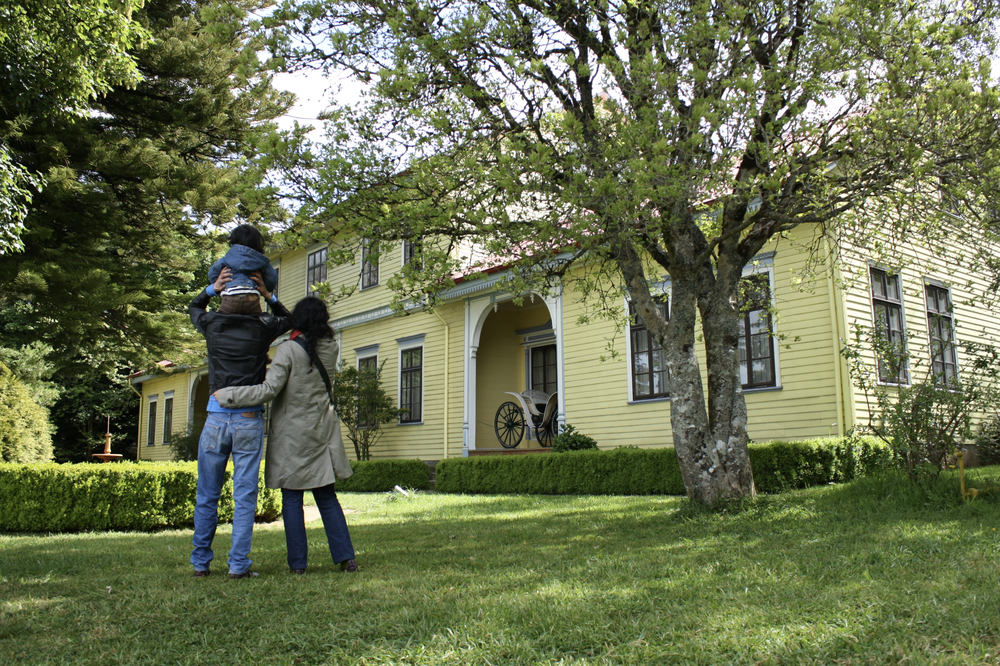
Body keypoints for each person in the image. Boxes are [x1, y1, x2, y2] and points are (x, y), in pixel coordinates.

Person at [214, 296, 358, 574]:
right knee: (326, 496)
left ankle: (298, 565)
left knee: (292, 498)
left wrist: (228, 395)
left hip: (293, 433)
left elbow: (269, 390)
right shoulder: (331, 347)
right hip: (322, 429)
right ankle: (346, 558)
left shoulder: (289, 349)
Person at [189, 266, 292, 579]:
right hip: (248, 418)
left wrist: (212, 288)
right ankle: (237, 565)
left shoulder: (212, 324)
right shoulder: (263, 326)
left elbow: (193, 307)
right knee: (244, 495)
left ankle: (200, 563)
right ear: (254, 301)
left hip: (215, 417)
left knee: (207, 493)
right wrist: (269, 295)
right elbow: (290, 320)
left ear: (225, 299)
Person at [208, 224, 279, 315]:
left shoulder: (225, 260)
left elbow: (212, 274)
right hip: (251, 298)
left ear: (233, 241)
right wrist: (265, 289)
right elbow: (272, 279)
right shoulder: (261, 262)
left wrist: (221, 287)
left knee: (222, 322)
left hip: (230, 298)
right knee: (256, 323)